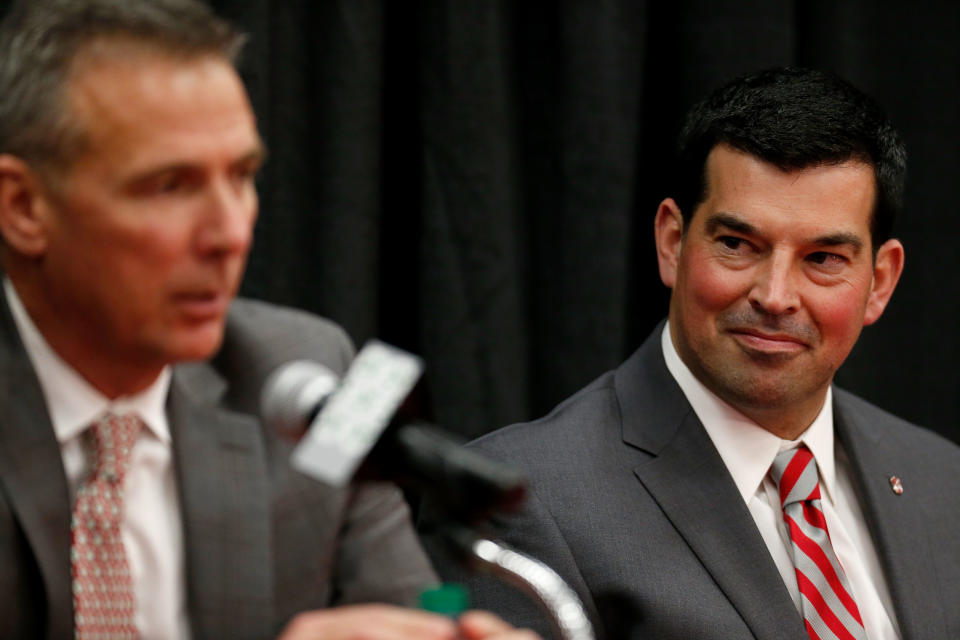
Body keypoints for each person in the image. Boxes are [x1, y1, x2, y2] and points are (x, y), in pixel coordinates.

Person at [0, 1, 537, 639]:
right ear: (24, 207)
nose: (230, 233)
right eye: (170, 185)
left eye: (243, 175)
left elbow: (411, 613)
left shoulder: (311, 367)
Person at [421, 67, 960, 639]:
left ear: (880, 282)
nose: (776, 297)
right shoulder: (521, 502)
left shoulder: (943, 481)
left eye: (824, 258)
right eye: (736, 244)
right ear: (672, 242)